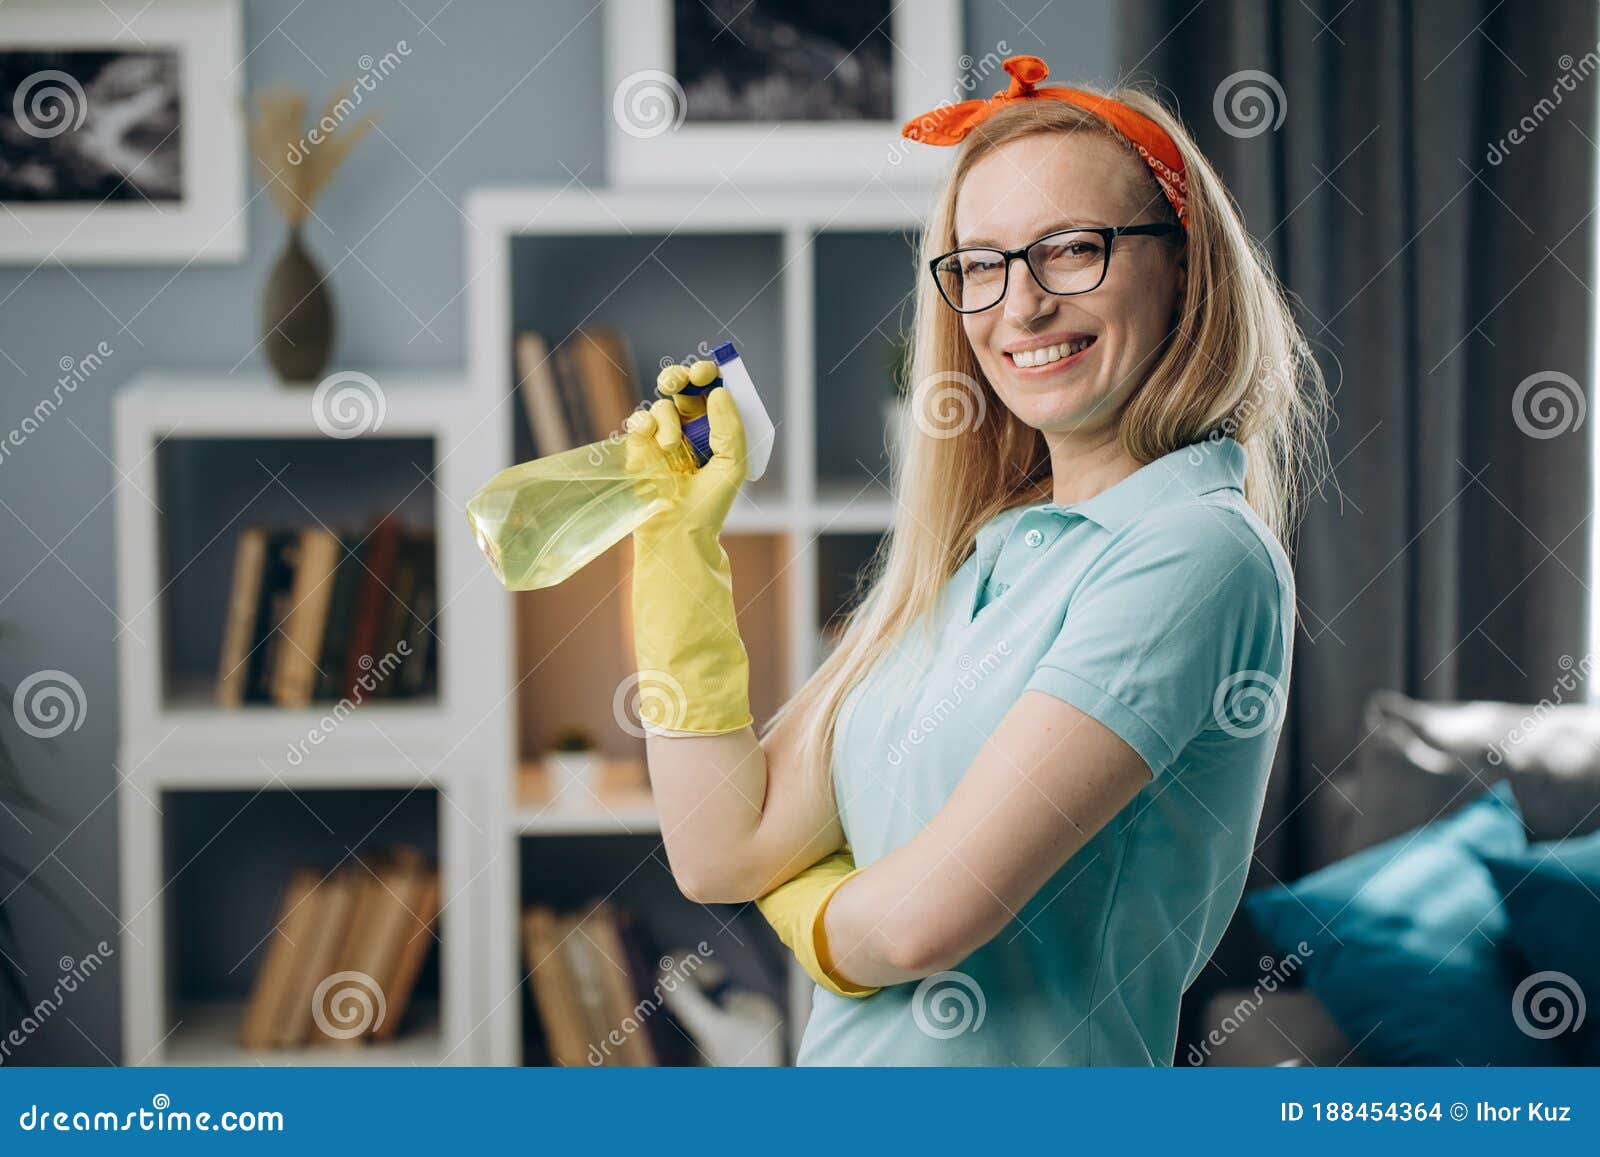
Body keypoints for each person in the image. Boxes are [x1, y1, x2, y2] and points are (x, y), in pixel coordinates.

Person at [621, 54, 1328, 1066]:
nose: (1021, 305)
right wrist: (677, 544)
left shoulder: (1194, 554)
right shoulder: (978, 557)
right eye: (982, 263)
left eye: (1071, 249)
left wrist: (799, 896)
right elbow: (716, 846)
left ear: (1182, 265)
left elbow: (917, 925)